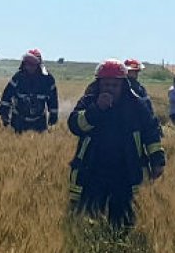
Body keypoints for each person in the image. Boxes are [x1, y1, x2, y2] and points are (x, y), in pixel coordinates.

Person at [67, 59, 166, 228]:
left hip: (126, 170)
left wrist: (157, 160)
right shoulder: (88, 101)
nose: (110, 89)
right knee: (90, 218)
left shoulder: (137, 105)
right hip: (93, 170)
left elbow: (151, 132)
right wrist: (97, 109)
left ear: (123, 85)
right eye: (106, 84)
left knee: (123, 220)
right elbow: (75, 125)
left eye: (115, 85)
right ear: (98, 84)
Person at [0, 49, 59, 133]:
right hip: (18, 120)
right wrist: (4, 113)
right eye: (27, 64)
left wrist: (53, 114)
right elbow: (7, 95)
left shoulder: (48, 79)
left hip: (39, 121)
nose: (30, 67)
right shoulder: (18, 77)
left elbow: (53, 99)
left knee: (39, 141)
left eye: (33, 64)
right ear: (24, 64)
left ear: (39, 65)